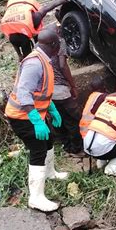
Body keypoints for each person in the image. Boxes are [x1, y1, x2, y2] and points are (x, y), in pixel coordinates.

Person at [4, 29, 65, 212]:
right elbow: (24, 93)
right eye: (58, 45)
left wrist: (51, 109)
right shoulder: (34, 64)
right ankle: (36, 198)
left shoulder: (42, 59)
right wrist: (36, 121)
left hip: (37, 113)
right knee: (38, 150)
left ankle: (50, 173)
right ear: (53, 46)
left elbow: (41, 90)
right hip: (22, 117)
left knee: (48, 140)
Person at [46, 23, 83, 156]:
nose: (61, 31)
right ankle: (76, 148)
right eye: (58, 30)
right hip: (61, 89)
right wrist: (73, 86)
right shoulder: (59, 43)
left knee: (58, 119)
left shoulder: (40, 47)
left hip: (48, 91)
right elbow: (63, 65)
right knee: (72, 120)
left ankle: (66, 145)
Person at [0, 0, 69, 61]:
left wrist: (62, 0)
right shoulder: (12, 34)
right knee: (32, 51)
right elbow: (46, 7)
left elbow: (46, 8)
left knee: (38, 42)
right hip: (20, 9)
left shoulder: (35, 18)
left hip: (22, 10)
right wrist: (20, 55)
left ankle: (38, 55)